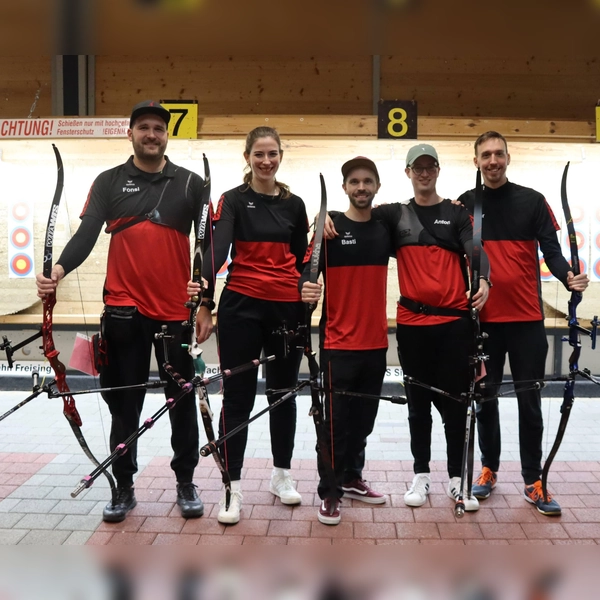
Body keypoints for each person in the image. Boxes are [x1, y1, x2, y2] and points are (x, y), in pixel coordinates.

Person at [35, 100, 207, 523]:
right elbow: (87, 235)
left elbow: (207, 246)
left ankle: (186, 481)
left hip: (175, 312)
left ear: (168, 135)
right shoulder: (110, 181)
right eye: (143, 127)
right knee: (123, 402)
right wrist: (57, 270)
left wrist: (204, 298)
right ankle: (123, 486)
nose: (152, 134)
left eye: (159, 129)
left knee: (181, 400)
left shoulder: (190, 184)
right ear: (129, 134)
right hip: (124, 310)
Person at [325, 144, 490, 512]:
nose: (424, 172)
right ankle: (421, 475)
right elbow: (356, 213)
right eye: (418, 167)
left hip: (454, 325)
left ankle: (456, 478)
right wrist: (324, 216)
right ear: (408, 172)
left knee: (456, 405)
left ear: (437, 169)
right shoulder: (393, 214)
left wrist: (484, 279)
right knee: (418, 407)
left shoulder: (457, 212)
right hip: (413, 326)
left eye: (430, 166)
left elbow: (474, 248)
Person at [457, 131, 589, 516]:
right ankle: (488, 469)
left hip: (527, 321)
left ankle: (534, 479)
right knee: (485, 401)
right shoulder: (466, 204)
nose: (493, 160)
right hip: (484, 323)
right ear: (477, 161)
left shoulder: (532, 201)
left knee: (530, 403)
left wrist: (568, 277)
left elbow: (551, 249)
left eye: (499, 153)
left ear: (508, 157)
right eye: (486, 155)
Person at [194, 126, 308, 525]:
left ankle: (281, 476)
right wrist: (205, 304)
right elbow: (216, 251)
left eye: (272, 153)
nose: (266, 161)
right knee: (238, 397)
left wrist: (307, 292)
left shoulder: (295, 205)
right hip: (241, 308)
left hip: (286, 311)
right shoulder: (232, 201)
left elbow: (301, 261)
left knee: (283, 394)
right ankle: (232, 485)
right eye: (258, 154)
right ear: (247, 157)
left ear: (280, 156)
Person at [300, 157, 390, 526]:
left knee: (363, 422)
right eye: (354, 182)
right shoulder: (327, 230)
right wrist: (306, 288)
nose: (361, 187)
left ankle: (352, 477)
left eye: (368, 181)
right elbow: (305, 274)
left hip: (376, 344)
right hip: (338, 345)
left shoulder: (387, 228)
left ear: (378, 187)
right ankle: (330, 491)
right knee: (334, 425)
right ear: (344, 188)